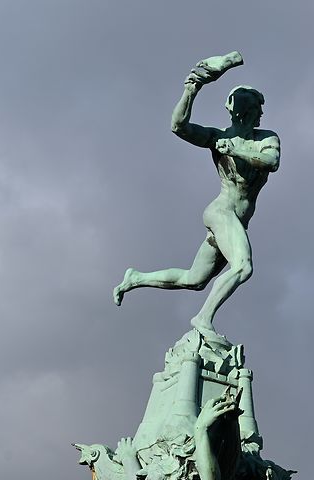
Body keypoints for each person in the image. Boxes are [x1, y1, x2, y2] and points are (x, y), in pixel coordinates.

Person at [114, 55, 280, 341]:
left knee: (194, 279)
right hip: (221, 212)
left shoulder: (266, 138)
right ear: (242, 112)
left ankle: (135, 278)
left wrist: (235, 151)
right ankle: (203, 318)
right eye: (254, 110)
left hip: (236, 220)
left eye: (259, 111)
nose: (259, 115)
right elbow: (179, 127)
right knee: (243, 266)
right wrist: (191, 90)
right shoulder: (217, 137)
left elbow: (271, 161)